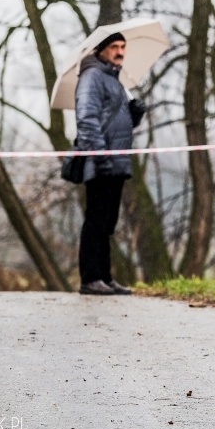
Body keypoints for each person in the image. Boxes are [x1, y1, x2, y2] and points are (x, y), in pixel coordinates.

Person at [75, 31, 146, 295]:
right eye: (114, 46)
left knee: (107, 222)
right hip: (101, 160)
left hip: (117, 161)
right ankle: (90, 278)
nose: (120, 51)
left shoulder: (114, 80)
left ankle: (105, 277)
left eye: (123, 46)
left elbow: (117, 123)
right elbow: (87, 118)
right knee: (95, 219)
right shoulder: (92, 76)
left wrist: (134, 115)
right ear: (101, 50)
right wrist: (99, 155)